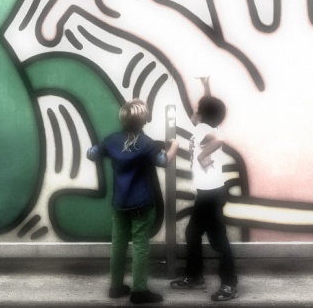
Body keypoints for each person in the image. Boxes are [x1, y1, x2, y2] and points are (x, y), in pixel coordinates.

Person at [87, 99, 178, 304]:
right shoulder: (146, 143)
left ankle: (115, 287)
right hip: (141, 201)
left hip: (120, 201)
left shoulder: (112, 140)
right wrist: (175, 146)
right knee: (140, 245)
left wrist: (107, 152)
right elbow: (164, 161)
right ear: (143, 121)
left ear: (123, 119)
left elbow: (91, 154)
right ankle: (139, 291)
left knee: (118, 244)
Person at [171, 78, 238, 301]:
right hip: (210, 192)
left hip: (211, 193)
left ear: (200, 115)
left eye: (196, 110)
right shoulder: (206, 126)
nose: (194, 112)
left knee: (217, 240)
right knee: (193, 233)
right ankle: (195, 276)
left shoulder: (204, 130)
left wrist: (201, 156)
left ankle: (229, 284)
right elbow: (210, 112)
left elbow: (219, 139)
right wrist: (206, 87)